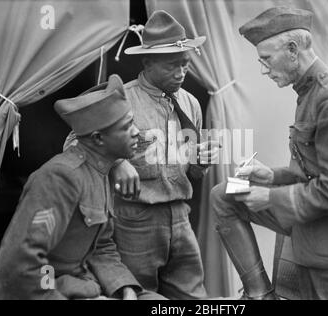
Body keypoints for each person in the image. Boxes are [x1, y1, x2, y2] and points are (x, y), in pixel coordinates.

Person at [210, 7, 328, 300]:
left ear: (292, 50)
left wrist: (269, 196)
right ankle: (259, 294)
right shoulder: (309, 92)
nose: (263, 69)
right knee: (225, 193)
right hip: (312, 211)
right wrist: (272, 175)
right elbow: (313, 171)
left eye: (266, 59)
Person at [67, 10, 219, 300]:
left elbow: (192, 172)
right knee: (138, 295)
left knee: (194, 298)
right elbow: (74, 145)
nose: (182, 73)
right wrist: (117, 164)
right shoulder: (120, 100)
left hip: (180, 217)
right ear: (148, 62)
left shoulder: (191, 103)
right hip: (134, 220)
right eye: (173, 66)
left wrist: (201, 160)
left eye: (186, 65)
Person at [0, 74, 164, 300]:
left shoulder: (101, 171)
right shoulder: (60, 178)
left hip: (88, 286)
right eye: (126, 127)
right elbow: (22, 263)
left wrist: (125, 288)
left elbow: (101, 247)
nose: (136, 132)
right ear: (98, 139)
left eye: (132, 122)